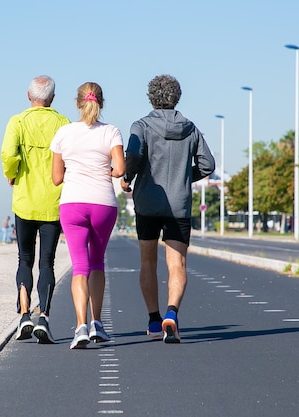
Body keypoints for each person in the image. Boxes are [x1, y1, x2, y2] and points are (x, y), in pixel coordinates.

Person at [121, 74, 215, 344]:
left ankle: (153, 319)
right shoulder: (191, 128)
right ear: (177, 97)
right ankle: (172, 314)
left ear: (151, 97)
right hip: (179, 205)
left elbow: (135, 155)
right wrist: (186, 177)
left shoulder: (141, 126)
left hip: (148, 203)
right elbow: (208, 164)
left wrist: (128, 178)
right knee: (178, 264)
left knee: (148, 262)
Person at [50, 82, 126, 349]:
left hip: (72, 204)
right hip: (103, 204)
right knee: (97, 263)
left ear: (77, 103)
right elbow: (119, 168)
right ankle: (98, 324)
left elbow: (57, 178)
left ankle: (80, 327)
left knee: (79, 266)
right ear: (101, 103)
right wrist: (109, 172)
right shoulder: (111, 131)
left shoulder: (63, 133)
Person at [1, 75, 70, 344]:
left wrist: (12, 172)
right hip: (53, 203)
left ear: (28, 95)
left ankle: (24, 316)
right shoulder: (63, 123)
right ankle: (44, 318)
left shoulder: (17, 121)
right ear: (52, 98)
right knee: (47, 262)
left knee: (24, 260)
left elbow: (8, 155)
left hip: (25, 202)